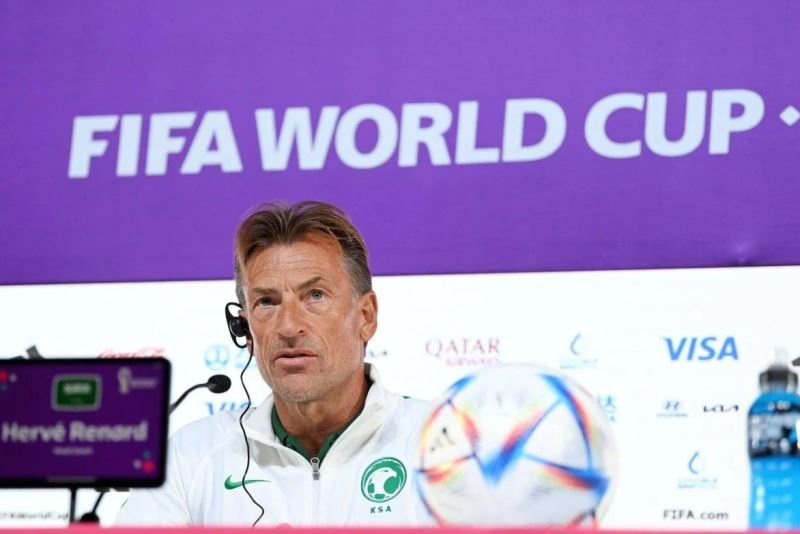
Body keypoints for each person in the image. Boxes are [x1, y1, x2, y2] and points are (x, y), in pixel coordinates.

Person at [116, 201, 432, 526]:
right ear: (245, 330)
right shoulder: (189, 457)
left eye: (315, 295)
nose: (289, 326)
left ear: (366, 316)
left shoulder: (440, 443)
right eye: (267, 302)